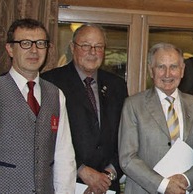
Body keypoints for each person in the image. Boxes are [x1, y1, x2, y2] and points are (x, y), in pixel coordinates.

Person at [41, 23, 128, 194]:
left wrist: (108, 175)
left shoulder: (117, 85)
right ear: (73, 47)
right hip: (67, 183)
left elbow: (126, 135)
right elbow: (44, 137)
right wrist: (81, 171)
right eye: (86, 45)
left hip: (107, 186)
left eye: (98, 46)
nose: (93, 52)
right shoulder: (51, 82)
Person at [0, 18, 76, 193]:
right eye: (25, 43)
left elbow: (64, 156)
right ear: (10, 49)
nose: (34, 50)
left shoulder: (56, 95)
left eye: (40, 44)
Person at [119, 43, 193, 194]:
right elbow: (127, 158)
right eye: (161, 67)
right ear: (150, 71)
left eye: (173, 67)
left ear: (182, 70)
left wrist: (186, 180)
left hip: (188, 190)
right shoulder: (133, 106)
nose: (167, 74)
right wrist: (163, 185)